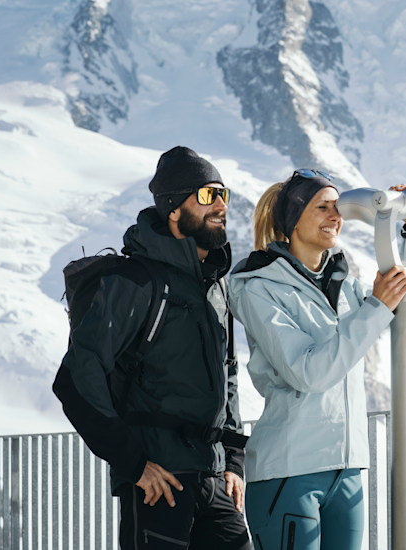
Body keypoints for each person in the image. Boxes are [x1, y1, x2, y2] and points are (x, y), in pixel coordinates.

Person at [229, 169, 406, 550]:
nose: (335, 216)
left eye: (337, 207)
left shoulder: (347, 288)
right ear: (292, 219)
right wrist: (376, 307)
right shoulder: (259, 290)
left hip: (347, 473)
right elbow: (309, 372)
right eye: (322, 207)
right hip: (289, 471)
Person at [53, 146, 251, 550]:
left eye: (223, 194)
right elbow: (75, 377)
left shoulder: (215, 286)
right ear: (174, 209)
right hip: (159, 482)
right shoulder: (136, 281)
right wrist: (134, 464)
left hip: (213, 480)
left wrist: (232, 461)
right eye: (207, 194)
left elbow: (227, 374)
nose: (220, 205)